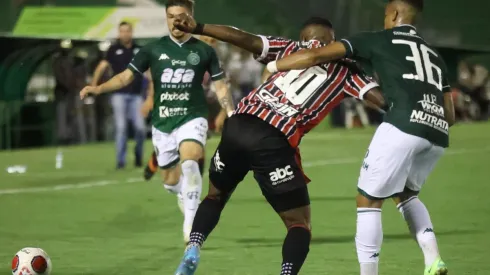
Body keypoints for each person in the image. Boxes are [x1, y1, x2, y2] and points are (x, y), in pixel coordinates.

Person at [172, 15, 385, 275]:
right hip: (273, 138)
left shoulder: (288, 48)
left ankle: (193, 247)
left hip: (237, 125)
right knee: (299, 224)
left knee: (215, 196)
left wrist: (199, 27)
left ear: (304, 39)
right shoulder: (347, 70)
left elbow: (241, 36)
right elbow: (381, 101)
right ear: (334, 41)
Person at [266, 1, 455, 274]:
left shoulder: (377, 39)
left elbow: (317, 57)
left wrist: (274, 66)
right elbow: (450, 114)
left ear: (393, 14)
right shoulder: (434, 54)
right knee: (407, 195)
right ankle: (433, 259)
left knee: (367, 201)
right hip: (437, 133)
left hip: (402, 125)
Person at [80, 0, 232, 244]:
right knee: (170, 181)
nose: (176, 21)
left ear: (190, 18)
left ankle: (191, 226)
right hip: (163, 122)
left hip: (193, 116)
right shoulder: (152, 50)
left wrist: (230, 112)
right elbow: (124, 78)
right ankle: (181, 193)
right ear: (166, 18)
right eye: (171, 16)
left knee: (191, 160)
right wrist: (98, 88)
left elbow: (221, 85)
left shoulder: (204, 50)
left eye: (181, 16)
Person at [91, 21, 146, 169]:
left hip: (136, 95)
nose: (124, 34)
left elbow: (148, 71)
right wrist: (94, 85)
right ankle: (120, 161)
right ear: (118, 33)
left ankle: (138, 155)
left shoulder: (139, 49)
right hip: (118, 95)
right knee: (121, 128)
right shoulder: (113, 49)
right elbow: (102, 66)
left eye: (127, 31)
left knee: (140, 128)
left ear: (131, 32)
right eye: (122, 31)